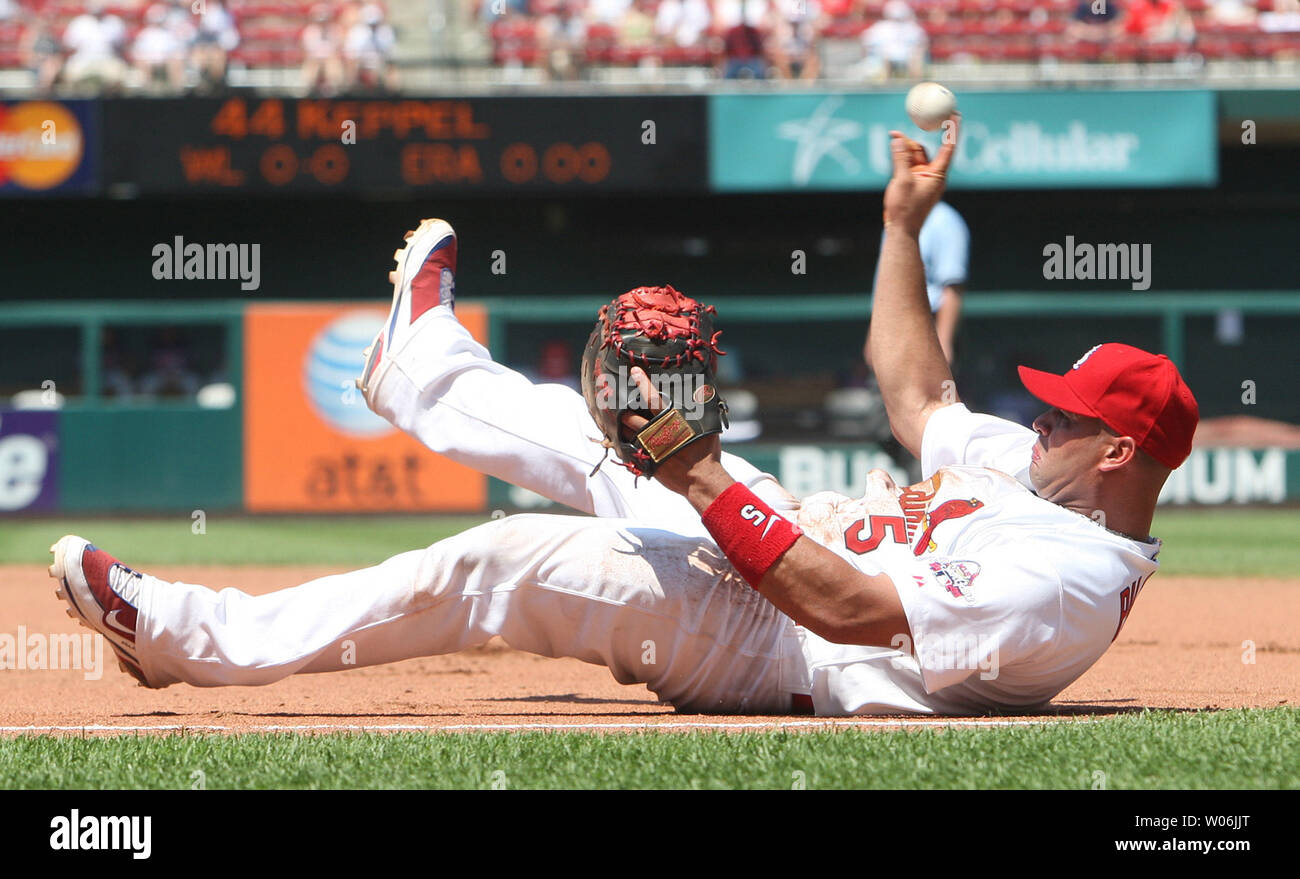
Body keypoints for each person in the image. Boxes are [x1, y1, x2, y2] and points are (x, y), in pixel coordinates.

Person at [51, 116, 1200, 716]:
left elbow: (848, 612)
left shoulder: (1067, 581)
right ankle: (421, 370)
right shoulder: (1033, 471)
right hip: (779, 548)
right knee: (594, 437)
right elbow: (918, 391)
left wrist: (696, 476)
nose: (1031, 423)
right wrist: (901, 226)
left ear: (1115, 451)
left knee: (507, 558)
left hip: (777, 644)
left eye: (1058, 419)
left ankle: (186, 642)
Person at [870, 200, 968, 365]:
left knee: (930, 390)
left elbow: (952, 286)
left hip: (928, 330)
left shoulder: (944, 220)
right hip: (895, 330)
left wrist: (943, 342)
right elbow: (884, 287)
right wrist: (874, 337)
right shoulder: (894, 219)